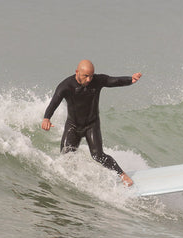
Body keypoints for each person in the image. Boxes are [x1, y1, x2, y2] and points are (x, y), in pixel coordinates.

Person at [41, 59, 142, 187]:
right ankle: (73, 181)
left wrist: (130, 80)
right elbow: (54, 102)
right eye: (86, 76)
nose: (89, 79)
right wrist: (46, 118)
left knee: (98, 156)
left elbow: (112, 81)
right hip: (73, 126)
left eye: (91, 76)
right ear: (77, 72)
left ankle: (122, 175)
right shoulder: (65, 86)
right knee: (66, 158)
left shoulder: (97, 81)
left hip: (91, 125)